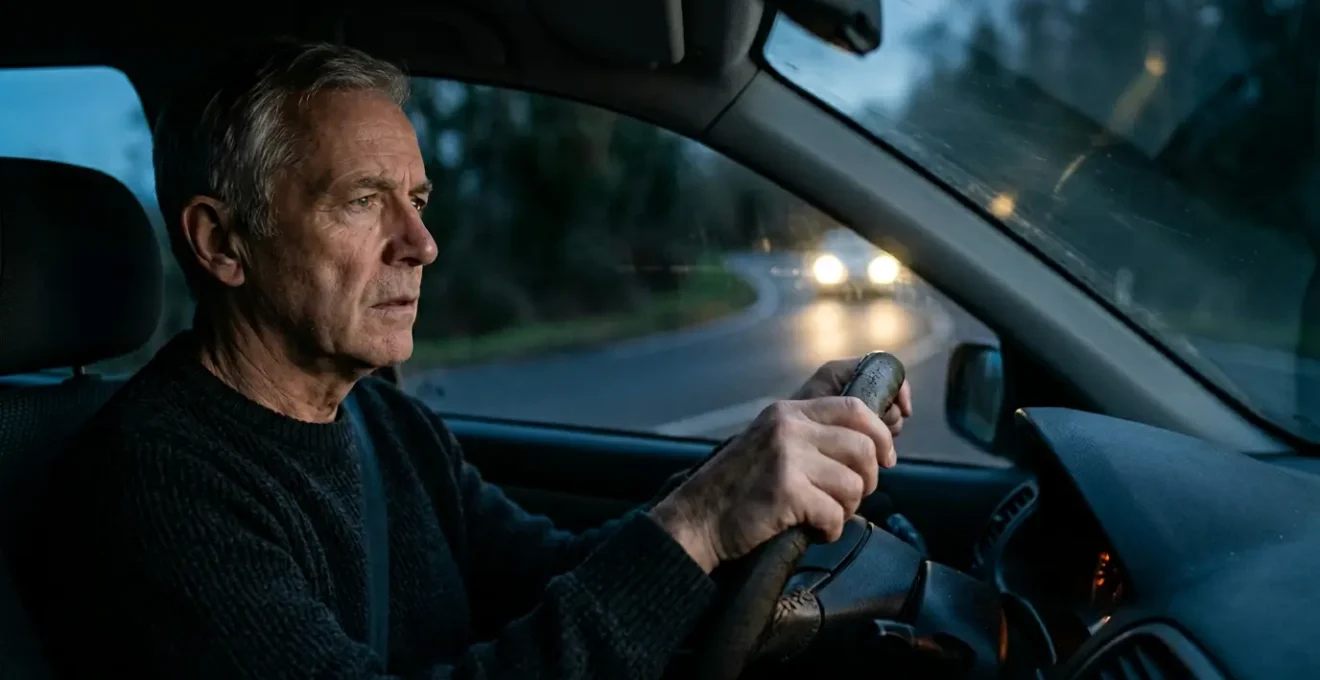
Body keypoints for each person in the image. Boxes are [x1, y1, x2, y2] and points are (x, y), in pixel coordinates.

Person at [18, 41, 912, 679]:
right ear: (222, 242)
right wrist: (703, 520)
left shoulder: (383, 421)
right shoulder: (156, 489)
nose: (422, 243)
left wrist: (745, 474)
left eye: (417, 198)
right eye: (364, 200)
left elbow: (549, 575)